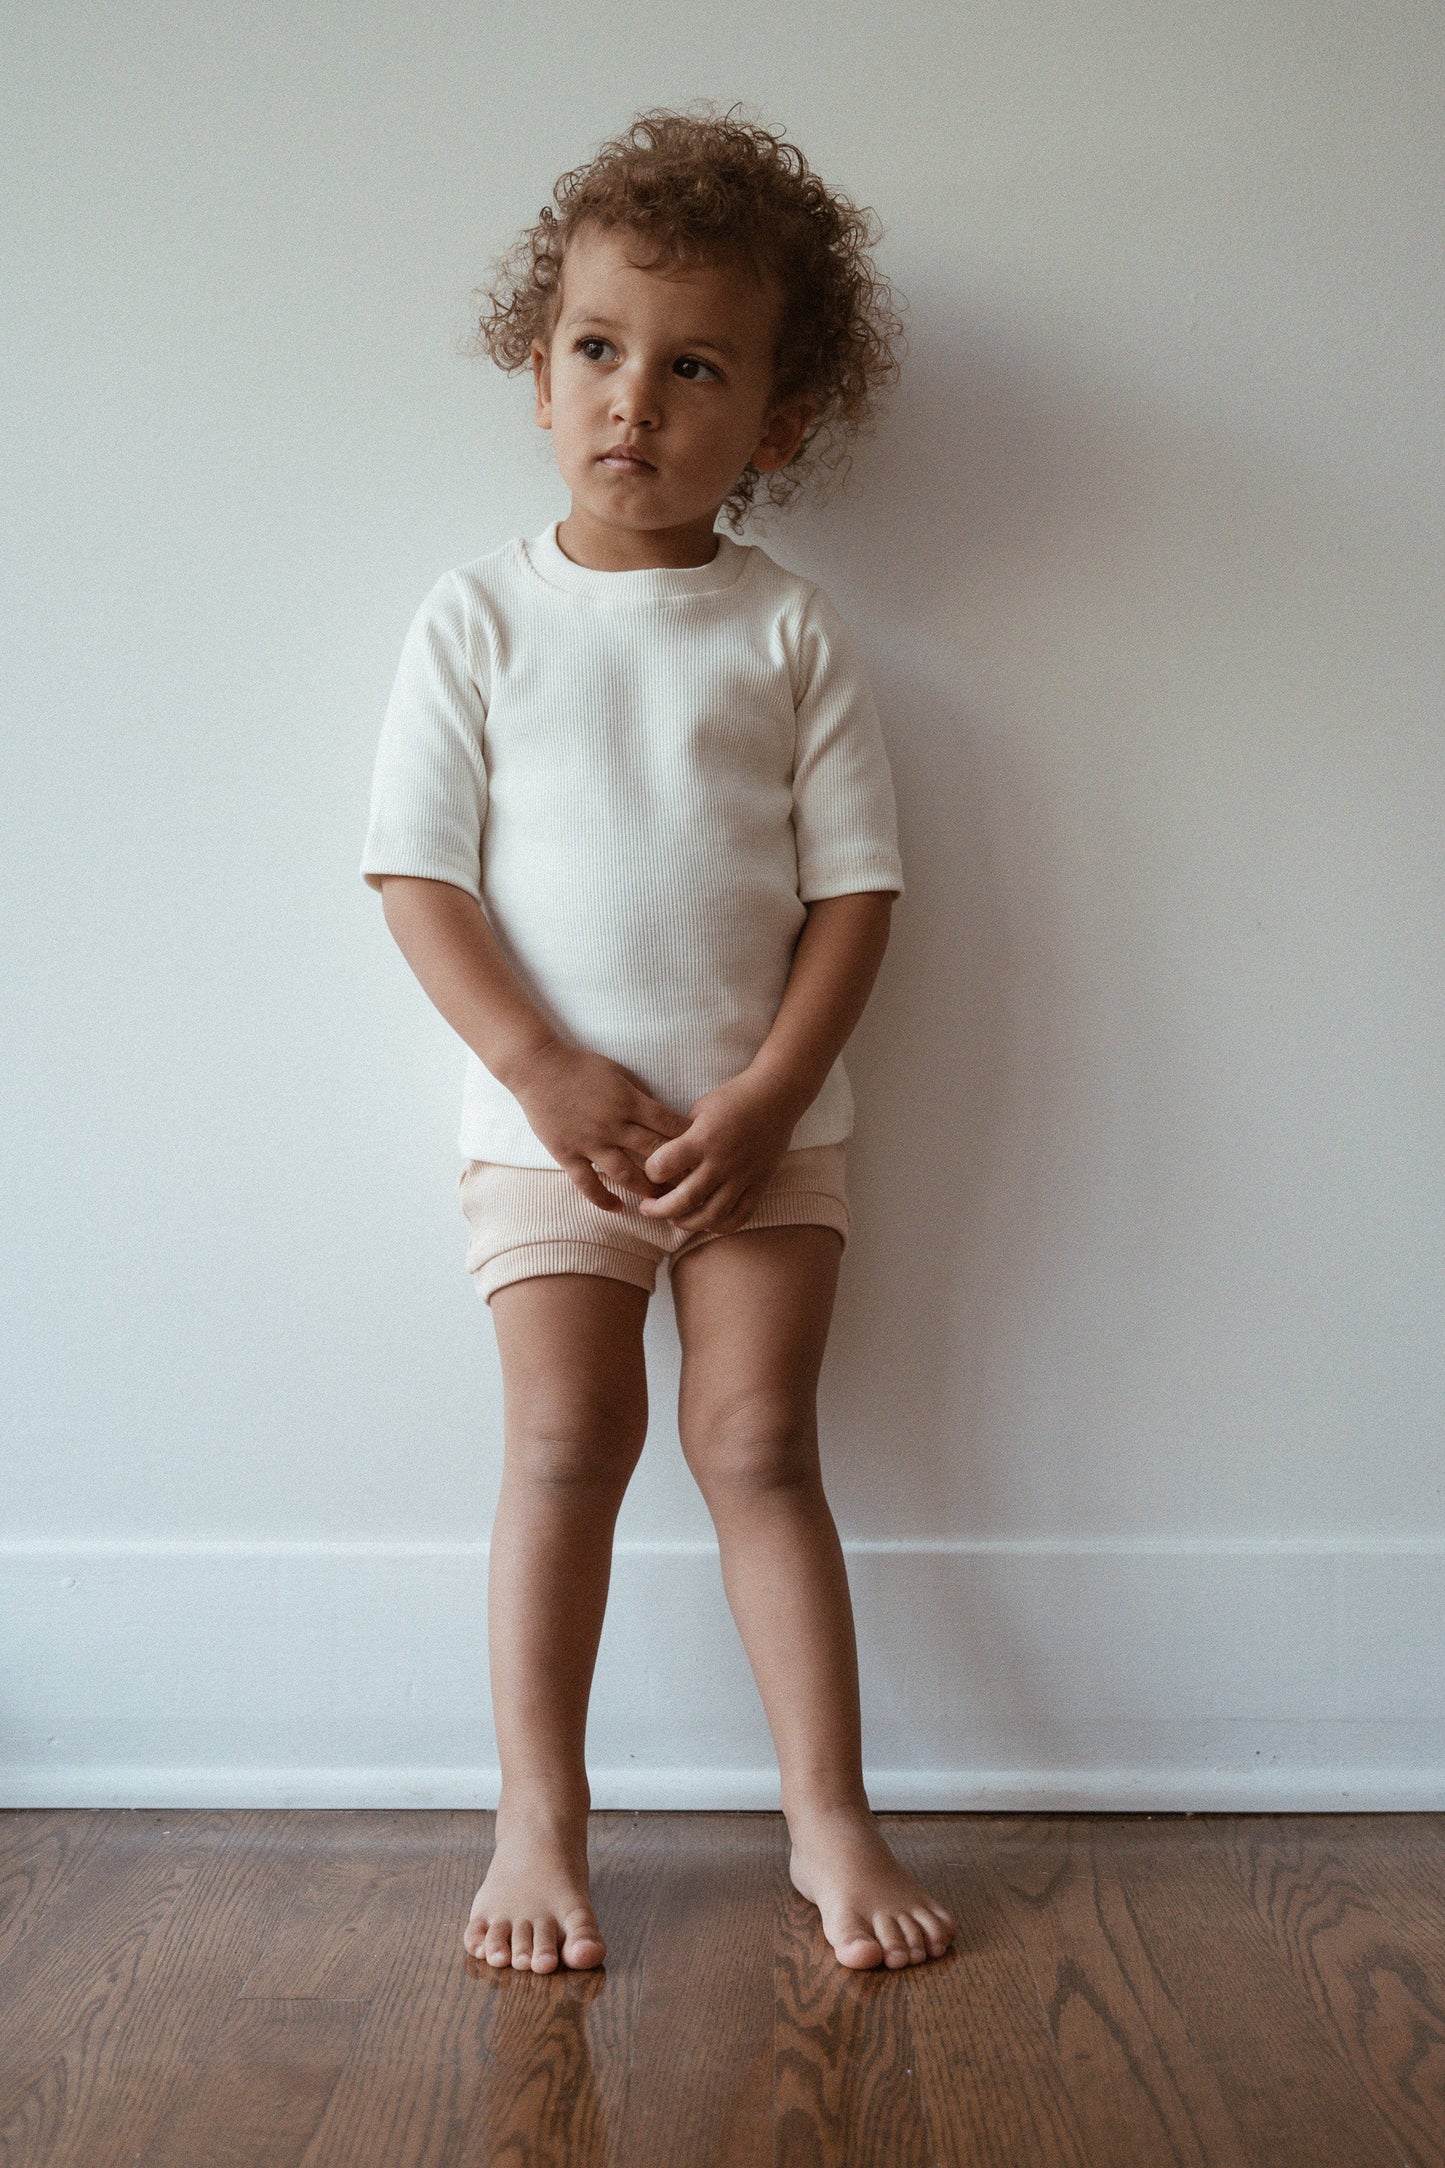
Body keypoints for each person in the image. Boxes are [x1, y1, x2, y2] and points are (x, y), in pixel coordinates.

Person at [361, 103, 956, 1976]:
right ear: (535, 375)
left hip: (766, 1133)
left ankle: (828, 1821)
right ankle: (539, 1815)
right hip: (548, 1141)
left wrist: (772, 1098)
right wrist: (541, 1073)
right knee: (560, 1446)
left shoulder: (789, 633)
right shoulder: (473, 620)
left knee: (761, 1446)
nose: (636, 400)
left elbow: (855, 895)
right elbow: (416, 882)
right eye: (600, 352)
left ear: (771, 425)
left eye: (693, 368)